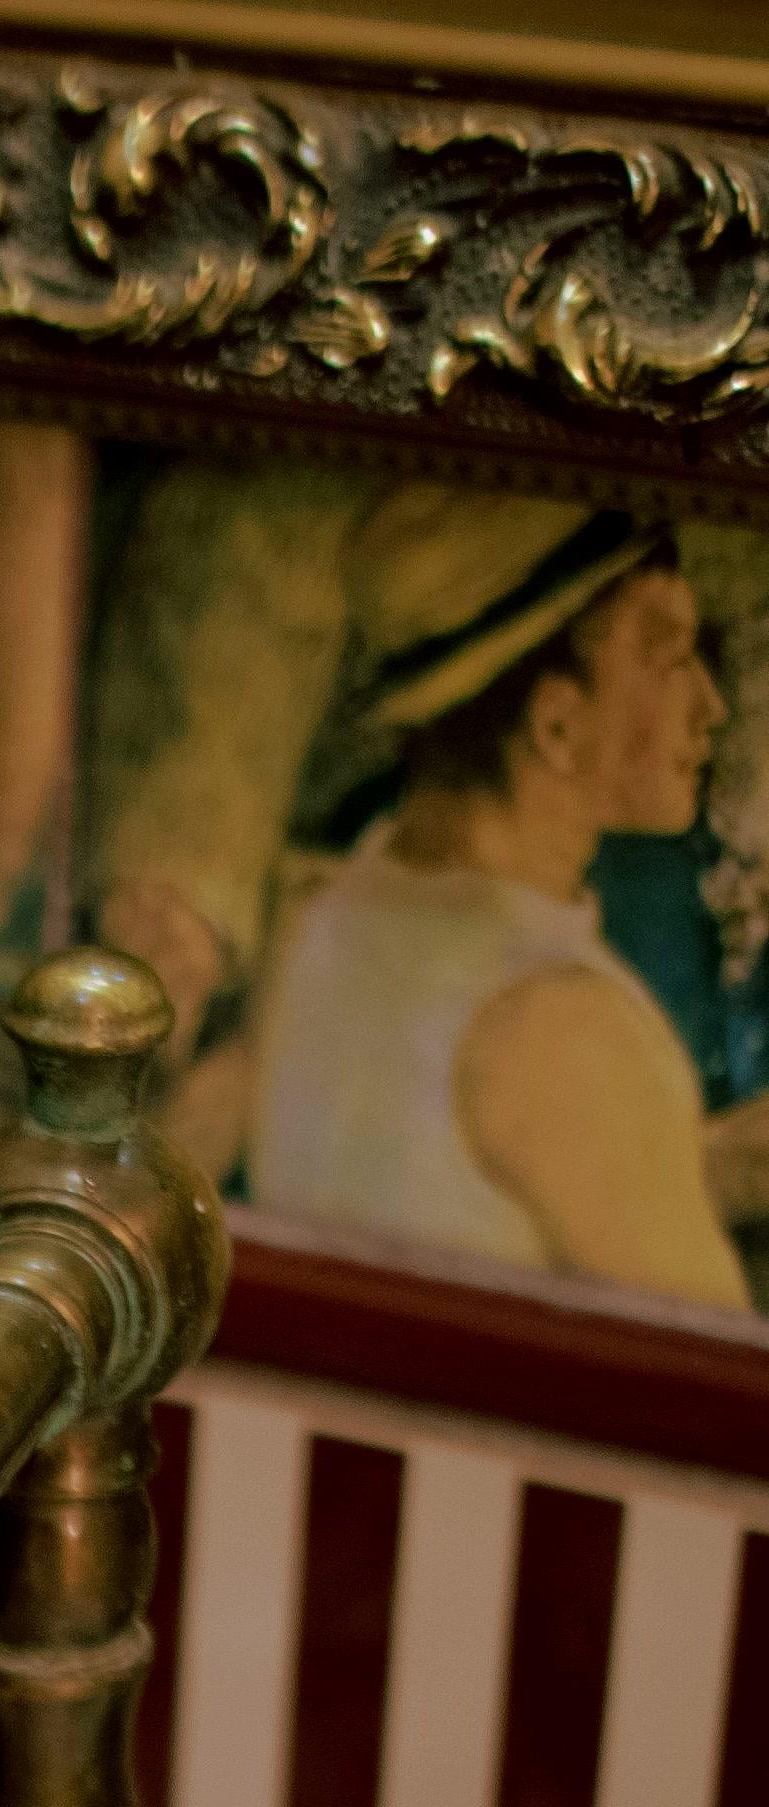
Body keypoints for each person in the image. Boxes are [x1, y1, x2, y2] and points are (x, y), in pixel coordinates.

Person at [247, 503, 760, 1302]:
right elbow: (709, 1358)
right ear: (557, 727)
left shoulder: (325, 915)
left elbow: (460, 1181)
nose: (709, 707)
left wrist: (700, 1159)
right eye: (670, 660)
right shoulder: (562, 1026)